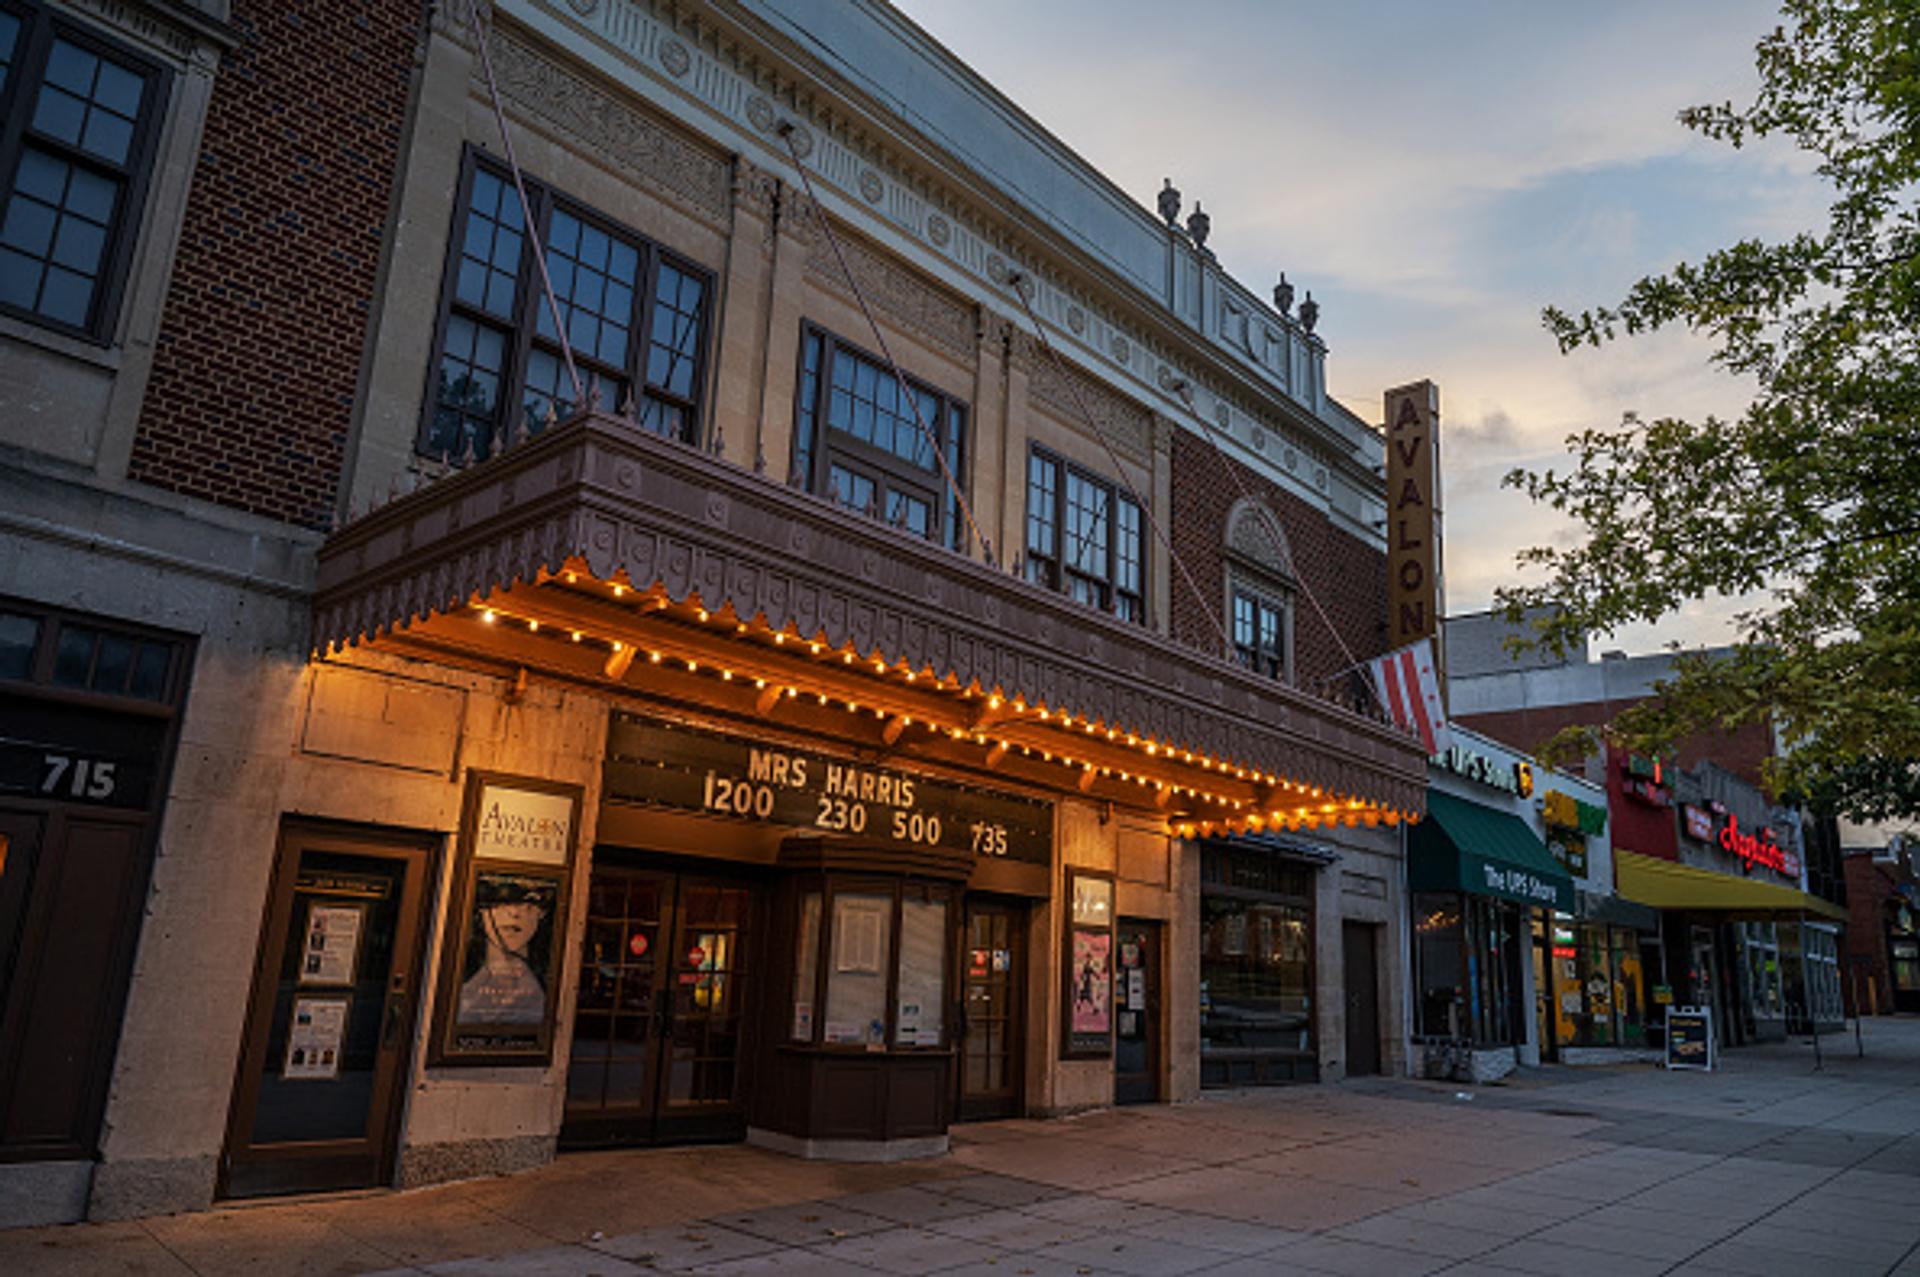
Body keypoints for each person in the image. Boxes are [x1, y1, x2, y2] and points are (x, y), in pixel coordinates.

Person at [460, 874, 551, 1023]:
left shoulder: (545, 987)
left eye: (529, 905)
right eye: (500, 903)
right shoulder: (463, 985)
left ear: (541, 914)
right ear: (482, 912)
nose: (514, 914)